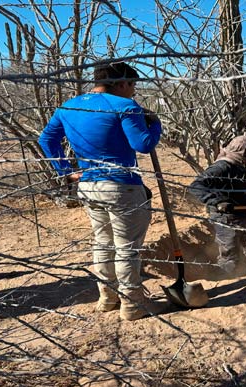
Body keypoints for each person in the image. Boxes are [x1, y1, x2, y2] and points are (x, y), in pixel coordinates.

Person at [38, 61, 163, 321]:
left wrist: (66, 172)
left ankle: (107, 297)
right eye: (133, 85)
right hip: (122, 186)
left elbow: (46, 139)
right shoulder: (125, 106)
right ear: (121, 83)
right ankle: (132, 305)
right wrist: (154, 124)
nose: (134, 91)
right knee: (127, 247)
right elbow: (143, 144)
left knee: (103, 242)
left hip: (89, 185)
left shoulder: (69, 106)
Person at [189, 135, 246, 277]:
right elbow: (196, 186)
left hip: (245, 214)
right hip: (226, 218)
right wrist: (217, 202)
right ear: (244, 152)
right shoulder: (221, 167)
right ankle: (225, 279)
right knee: (230, 253)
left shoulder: (241, 166)